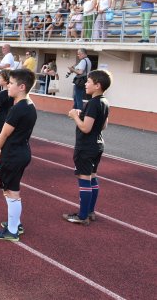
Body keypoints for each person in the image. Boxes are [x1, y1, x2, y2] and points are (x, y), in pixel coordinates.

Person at [0, 69, 37, 242]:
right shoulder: (29, 104)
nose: (8, 86)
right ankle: (15, 223)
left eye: (11, 83)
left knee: (11, 191)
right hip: (21, 151)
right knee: (10, 190)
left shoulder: (18, 109)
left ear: (21, 87)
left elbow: (4, 134)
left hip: (13, 154)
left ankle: (12, 231)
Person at [63, 70, 112, 225]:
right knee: (92, 177)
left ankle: (82, 216)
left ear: (97, 85)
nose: (85, 84)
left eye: (88, 81)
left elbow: (85, 128)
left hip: (86, 146)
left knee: (84, 178)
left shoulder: (92, 103)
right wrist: (82, 114)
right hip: (98, 144)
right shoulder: (105, 102)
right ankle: (90, 211)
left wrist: (75, 116)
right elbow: (103, 125)